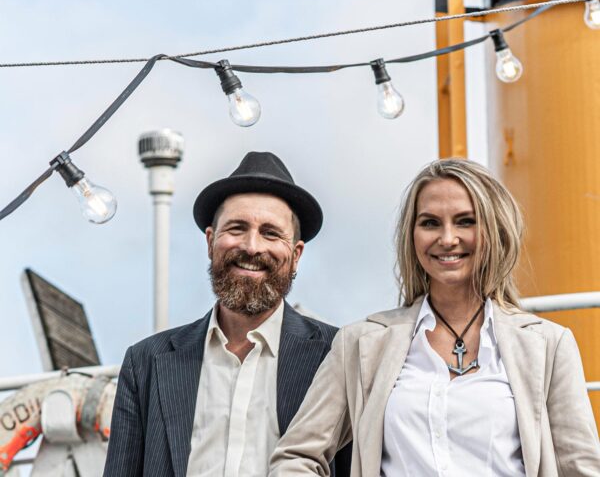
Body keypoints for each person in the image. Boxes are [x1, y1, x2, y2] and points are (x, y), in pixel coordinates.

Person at [269, 157, 600, 477]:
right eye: (430, 223)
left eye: (465, 221)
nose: (447, 238)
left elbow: (582, 469)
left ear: (494, 230)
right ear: (412, 236)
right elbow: (296, 457)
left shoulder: (549, 346)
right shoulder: (360, 344)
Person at [104, 151, 351, 477]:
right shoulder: (145, 363)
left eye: (270, 233)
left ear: (296, 254)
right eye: (236, 228)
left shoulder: (340, 356)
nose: (251, 246)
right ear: (210, 241)